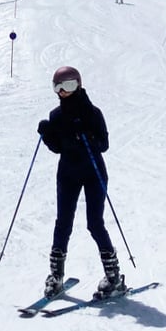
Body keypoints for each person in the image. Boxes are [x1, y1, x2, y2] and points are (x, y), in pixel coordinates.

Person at [37, 66, 125, 299]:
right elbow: (57, 147)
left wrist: (87, 136)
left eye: (68, 86)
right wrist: (48, 135)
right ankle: (56, 276)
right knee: (63, 222)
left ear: (78, 84)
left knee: (94, 223)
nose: (63, 92)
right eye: (58, 87)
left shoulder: (92, 113)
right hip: (67, 173)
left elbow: (104, 144)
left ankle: (113, 275)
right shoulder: (56, 116)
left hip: (93, 172)